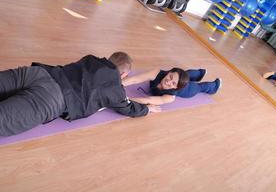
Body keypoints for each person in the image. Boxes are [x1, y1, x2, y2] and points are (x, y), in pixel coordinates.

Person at [0, 52, 160, 136]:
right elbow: (129, 108)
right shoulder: (116, 91)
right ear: (124, 75)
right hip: (52, 98)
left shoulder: (90, 58)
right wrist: (146, 109)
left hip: (38, 72)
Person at [122, 68, 222, 105]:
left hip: (187, 90)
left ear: (175, 87)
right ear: (169, 72)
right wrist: (119, 83)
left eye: (173, 84)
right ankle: (200, 73)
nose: (168, 81)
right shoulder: (157, 73)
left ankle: (214, 85)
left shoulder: (170, 97)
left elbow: (148, 100)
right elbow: (135, 79)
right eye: (170, 76)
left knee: (198, 87)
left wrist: (127, 99)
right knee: (185, 74)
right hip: (180, 78)